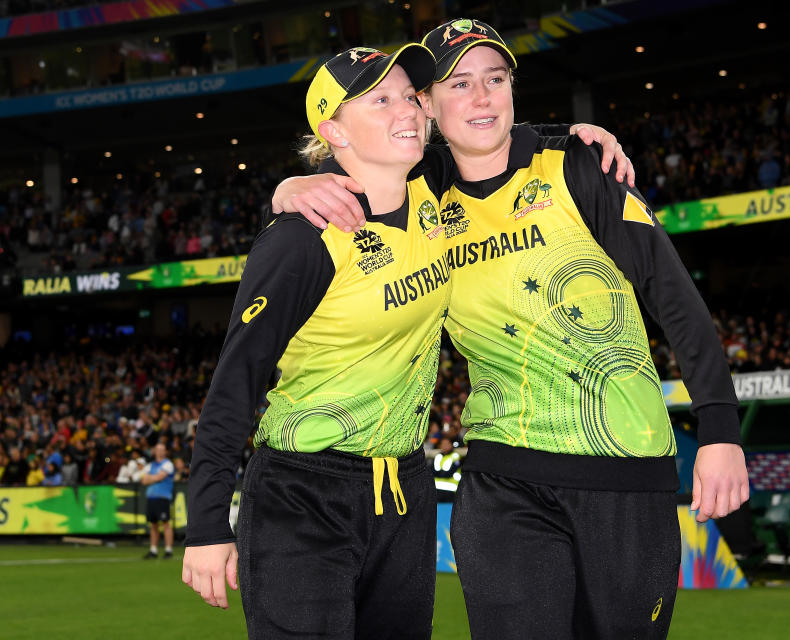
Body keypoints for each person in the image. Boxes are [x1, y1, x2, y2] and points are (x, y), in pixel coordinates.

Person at [273, 19, 749, 640]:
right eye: (459, 84)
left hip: (624, 473)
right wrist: (290, 185)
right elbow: (344, 183)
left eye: (495, 80)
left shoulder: (580, 168)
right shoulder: (421, 193)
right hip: (501, 480)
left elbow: (675, 298)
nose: (481, 98)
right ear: (428, 107)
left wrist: (719, 430)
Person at [182, 44, 449, 639]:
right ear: (333, 130)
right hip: (302, 495)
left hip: (405, 492)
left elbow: (498, 137)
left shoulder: (437, 187)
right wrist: (205, 524)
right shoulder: (302, 240)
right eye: (379, 99)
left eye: (410, 96)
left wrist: (577, 139)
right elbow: (235, 381)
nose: (407, 110)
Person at [142, 442, 175, 559]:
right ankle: (153, 550)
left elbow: (159, 477)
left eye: (162, 449)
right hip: (151, 497)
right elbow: (144, 481)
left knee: (165, 523)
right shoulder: (151, 465)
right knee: (153, 524)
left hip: (163, 497)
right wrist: (155, 478)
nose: (160, 451)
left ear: (165, 451)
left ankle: (168, 549)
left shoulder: (168, 464)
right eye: (158, 449)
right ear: (155, 451)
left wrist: (152, 477)